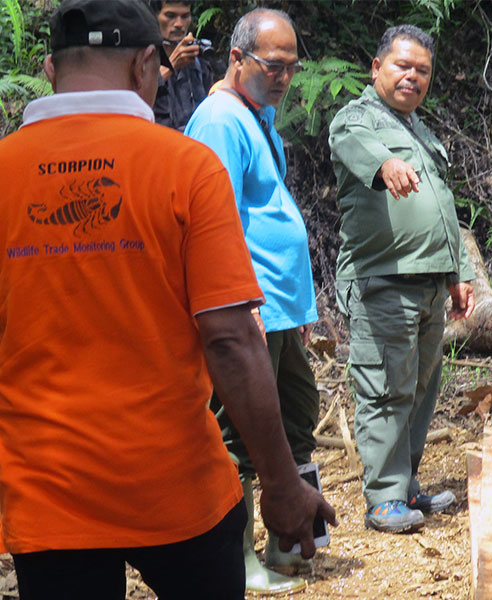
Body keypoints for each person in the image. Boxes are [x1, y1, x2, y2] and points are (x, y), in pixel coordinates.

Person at [0, 0, 335, 599]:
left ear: (51, 69)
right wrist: (282, 484)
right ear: (147, 64)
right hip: (176, 490)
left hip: (47, 495)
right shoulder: (186, 166)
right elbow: (230, 338)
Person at [185, 9, 322, 592]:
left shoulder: (256, 114)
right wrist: (240, 303)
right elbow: (218, 223)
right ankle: (238, 559)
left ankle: (291, 544)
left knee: (296, 419)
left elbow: (271, 213)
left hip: (282, 310)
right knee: (237, 434)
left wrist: (302, 311)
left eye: (292, 66)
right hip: (250, 310)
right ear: (237, 60)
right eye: (273, 65)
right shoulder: (218, 117)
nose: (285, 77)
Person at [328, 24, 475, 534]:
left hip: (431, 282)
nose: (412, 77)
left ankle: (406, 485)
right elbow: (358, 148)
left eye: (422, 71)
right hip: (383, 283)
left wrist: (460, 272)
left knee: (420, 389)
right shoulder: (357, 119)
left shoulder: (421, 130)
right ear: (376, 68)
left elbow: (444, 208)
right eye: (402, 66)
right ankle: (383, 499)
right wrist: (387, 163)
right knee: (385, 388)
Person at [150, 0, 215, 130]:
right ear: (154, 16)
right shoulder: (142, 59)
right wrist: (170, 66)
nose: (179, 24)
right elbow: (131, 99)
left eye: (185, 16)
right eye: (170, 16)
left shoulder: (199, 61)